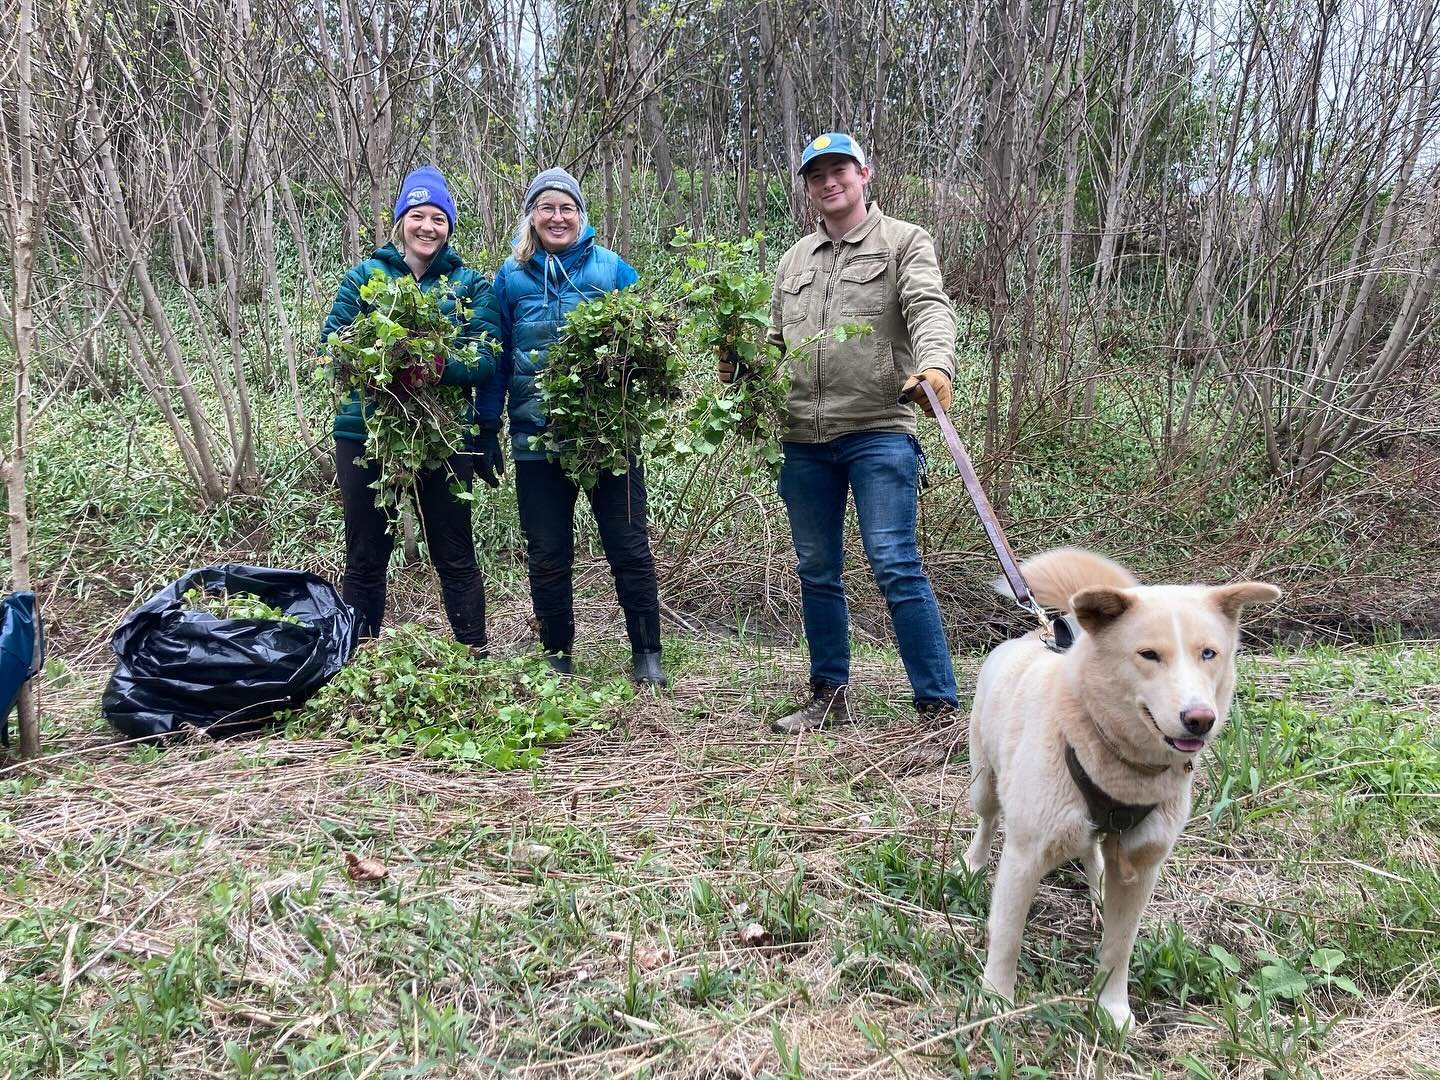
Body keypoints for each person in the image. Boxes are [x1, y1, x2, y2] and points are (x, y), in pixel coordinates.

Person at [724, 132, 959, 732]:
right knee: (815, 567)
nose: (829, 182)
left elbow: (930, 308)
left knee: (893, 561)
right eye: (817, 175)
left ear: (864, 174)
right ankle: (828, 696)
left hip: (878, 429)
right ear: (808, 187)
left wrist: (934, 366)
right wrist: (742, 366)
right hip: (803, 437)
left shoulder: (904, 241)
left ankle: (937, 706)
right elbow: (777, 345)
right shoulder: (793, 260)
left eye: (840, 171)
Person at [481, 167, 667, 686]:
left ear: (580, 215)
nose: (557, 217)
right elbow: (497, 359)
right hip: (536, 439)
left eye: (566, 208)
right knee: (547, 552)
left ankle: (647, 651)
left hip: (608, 439)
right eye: (546, 208)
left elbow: (644, 346)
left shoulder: (612, 270)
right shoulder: (510, 277)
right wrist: (485, 426)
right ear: (531, 217)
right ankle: (557, 654)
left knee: (628, 546)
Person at [321, 165, 503, 652]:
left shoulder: (469, 285)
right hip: (367, 431)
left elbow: (486, 355)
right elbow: (332, 346)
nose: (427, 226)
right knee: (365, 553)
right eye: (417, 215)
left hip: (444, 435)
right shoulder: (365, 276)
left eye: (438, 218)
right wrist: (381, 359)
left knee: (454, 549)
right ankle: (355, 658)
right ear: (401, 221)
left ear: (449, 227)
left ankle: (474, 653)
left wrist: (435, 366)